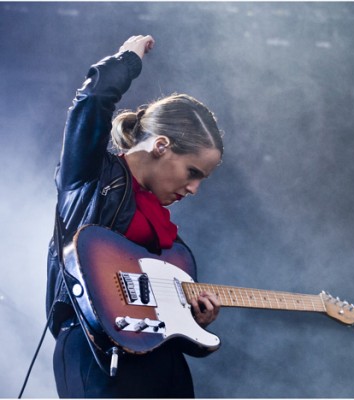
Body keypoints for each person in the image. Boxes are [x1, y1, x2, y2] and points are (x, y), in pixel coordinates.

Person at [45, 35, 222, 398]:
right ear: (161, 147)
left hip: (163, 363)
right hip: (98, 359)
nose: (193, 190)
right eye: (193, 172)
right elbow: (92, 102)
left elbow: (161, 316)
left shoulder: (166, 231)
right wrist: (128, 60)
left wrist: (194, 320)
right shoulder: (91, 177)